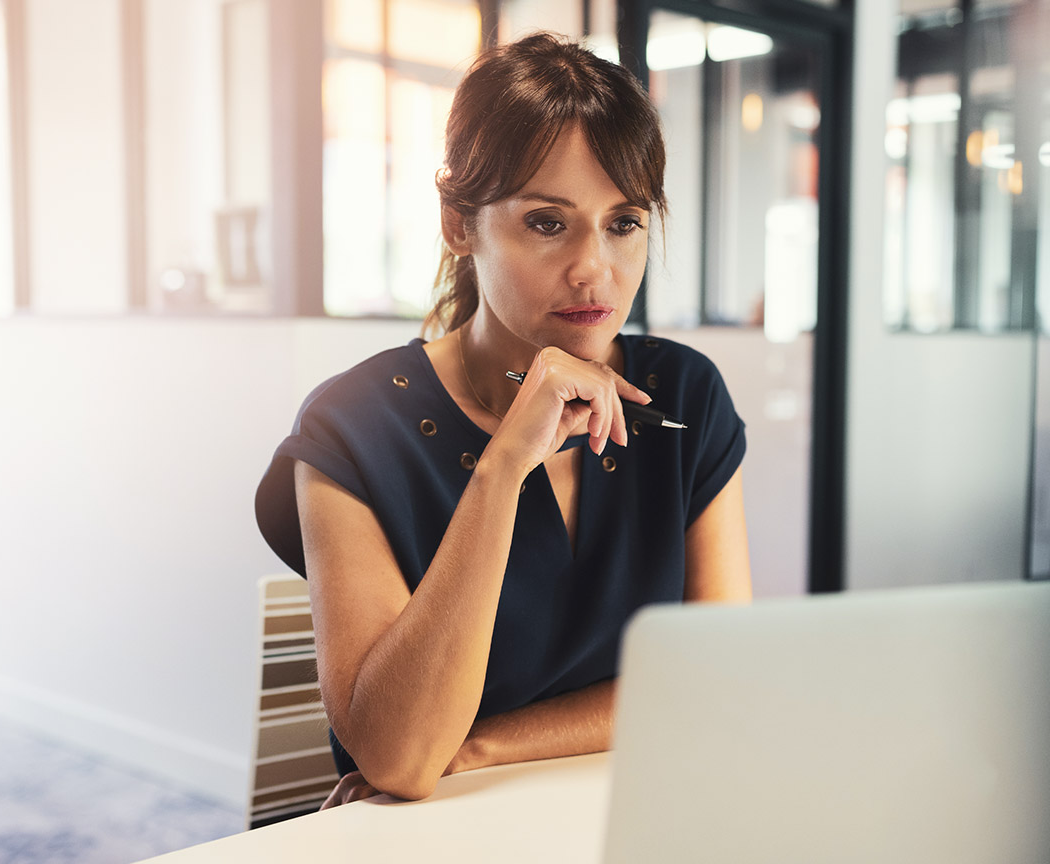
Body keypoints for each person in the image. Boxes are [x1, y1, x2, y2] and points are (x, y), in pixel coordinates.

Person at [254, 32, 751, 806]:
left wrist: (482, 747)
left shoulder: (681, 397)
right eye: (548, 223)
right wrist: (502, 467)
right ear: (460, 222)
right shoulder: (353, 427)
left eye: (623, 223)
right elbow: (398, 757)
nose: (596, 270)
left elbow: (719, 680)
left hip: (625, 818)